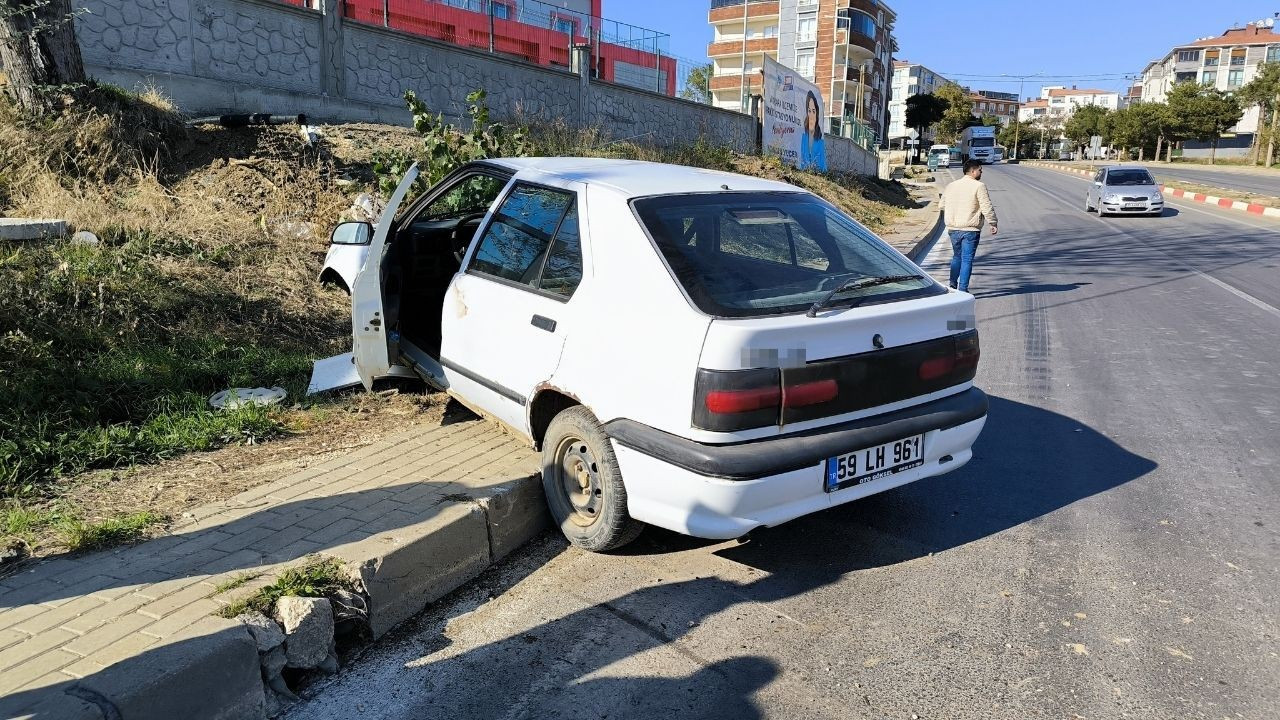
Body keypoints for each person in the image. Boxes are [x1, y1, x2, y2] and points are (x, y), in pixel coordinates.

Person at [938, 159, 998, 292]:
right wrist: (992, 222)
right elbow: (986, 206)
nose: (981, 172)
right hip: (970, 229)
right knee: (967, 259)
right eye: (980, 170)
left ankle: (952, 285)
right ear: (972, 171)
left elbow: (941, 205)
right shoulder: (979, 186)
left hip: (953, 228)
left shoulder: (951, 185)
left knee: (956, 257)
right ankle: (963, 290)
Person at [799, 91, 827, 172]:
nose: (811, 115)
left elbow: (823, 167)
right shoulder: (802, 137)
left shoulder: (820, 141)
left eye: (813, 111)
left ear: (817, 114)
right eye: (809, 110)